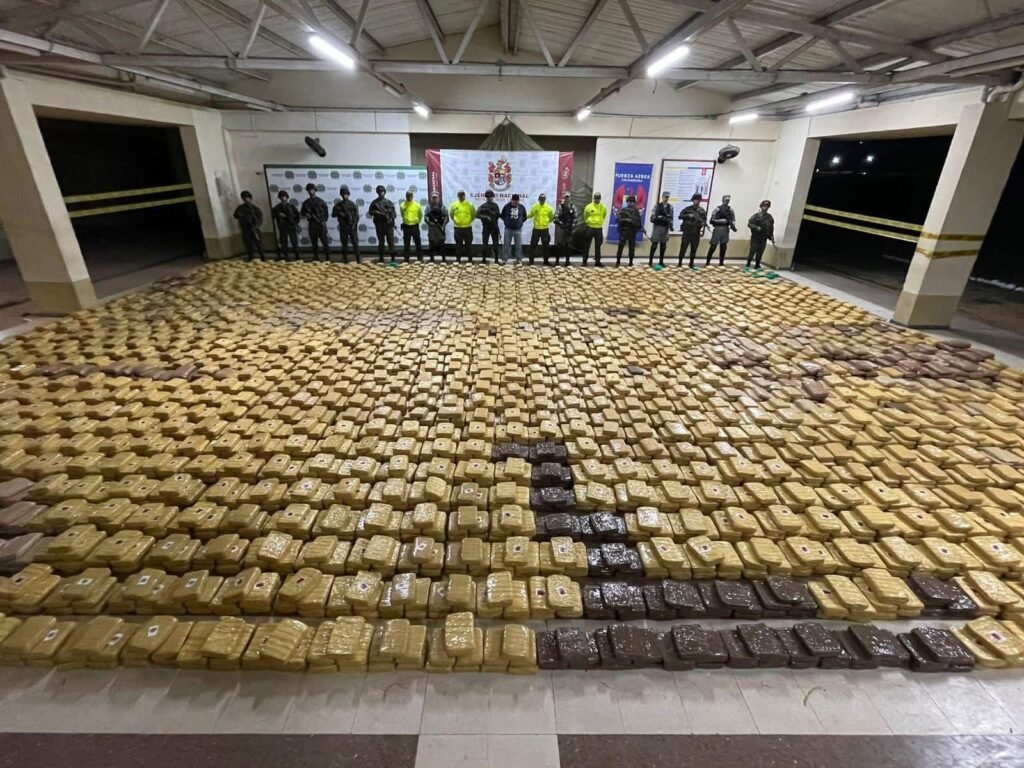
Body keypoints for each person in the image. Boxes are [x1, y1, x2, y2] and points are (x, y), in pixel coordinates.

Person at [300, 183, 330, 262]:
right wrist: (307, 214)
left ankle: (328, 258)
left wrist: (323, 220)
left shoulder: (320, 201)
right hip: (312, 224)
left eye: (312, 190)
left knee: (325, 242)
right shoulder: (306, 202)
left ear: (315, 190)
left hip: (320, 224)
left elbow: (326, 213)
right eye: (309, 190)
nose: (311, 191)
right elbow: (302, 212)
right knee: (314, 242)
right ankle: (316, 257)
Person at [367, 185, 397, 262]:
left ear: (385, 192)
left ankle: (393, 258)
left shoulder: (389, 202)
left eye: (382, 192)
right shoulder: (375, 203)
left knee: (391, 241)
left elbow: (394, 214)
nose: (381, 193)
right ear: (377, 193)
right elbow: (370, 212)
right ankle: (381, 258)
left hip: (388, 225)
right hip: (379, 224)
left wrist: (390, 218)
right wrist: (377, 213)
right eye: (380, 192)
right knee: (381, 242)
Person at [705, 194, 737, 266]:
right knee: (713, 246)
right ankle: (707, 263)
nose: (727, 202)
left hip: (725, 230)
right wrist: (722, 221)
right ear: (722, 200)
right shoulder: (717, 209)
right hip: (717, 229)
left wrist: (733, 226)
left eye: (728, 200)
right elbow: (711, 220)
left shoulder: (730, 210)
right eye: (725, 200)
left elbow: (733, 219)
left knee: (723, 247)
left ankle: (721, 263)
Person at [331, 185, 360, 263]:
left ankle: (358, 258)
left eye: (346, 194)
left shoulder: (352, 204)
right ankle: (345, 258)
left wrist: (353, 225)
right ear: (341, 195)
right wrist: (339, 212)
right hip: (343, 226)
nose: (345, 196)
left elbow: (356, 217)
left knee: (355, 243)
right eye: (343, 194)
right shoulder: (338, 205)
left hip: (352, 227)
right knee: (344, 244)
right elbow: (333, 215)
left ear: (348, 195)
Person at [233, 191, 264, 262]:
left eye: (247, 198)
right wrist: (241, 216)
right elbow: (235, 215)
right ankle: (250, 257)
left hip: (254, 228)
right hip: (245, 229)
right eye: (244, 198)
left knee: (259, 244)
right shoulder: (240, 208)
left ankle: (262, 257)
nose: (246, 200)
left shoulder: (255, 209)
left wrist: (256, 225)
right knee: (248, 244)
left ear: (250, 198)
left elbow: (260, 218)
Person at [678, 193, 707, 268]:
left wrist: (702, 223)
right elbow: (680, 216)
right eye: (695, 200)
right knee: (683, 248)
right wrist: (688, 216)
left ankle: (691, 263)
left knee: (694, 249)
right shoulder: (687, 209)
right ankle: (680, 263)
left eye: (698, 200)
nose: (697, 201)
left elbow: (704, 220)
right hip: (687, 232)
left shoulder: (702, 210)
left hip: (696, 232)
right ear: (693, 200)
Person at [746, 199, 775, 269]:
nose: (766, 208)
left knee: (760, 252)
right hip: (755, 237)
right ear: (761, 206)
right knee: (752, 251)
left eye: (767, 206)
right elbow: (749, 224)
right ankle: (748, 263)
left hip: (763, 237)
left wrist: (772, 237)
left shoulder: (769, 217)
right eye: (764, 206)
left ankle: (757, 264)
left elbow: (771, 228)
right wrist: (756, 227)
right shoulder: (756, 216)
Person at [271, 190, 299, 261]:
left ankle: (297, 256)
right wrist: (278, 214)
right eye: (281, 197)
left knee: (294, 242)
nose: (283, 198)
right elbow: (273, 215)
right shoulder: (277, 207)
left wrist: (291, 220)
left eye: (284, 196)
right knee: (283, 242)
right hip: (282, 227)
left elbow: (297, 216)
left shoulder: (291, 206)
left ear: (287, 197)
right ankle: (286, 257)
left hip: (291, 226)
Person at [527, 193, 555, 265]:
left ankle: (546, 261)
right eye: (541, 200)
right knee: (533, 245)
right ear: (538, 200)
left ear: (545, 200)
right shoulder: (535, 207)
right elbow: (530, 215)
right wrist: (524, 215)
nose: (542, 201)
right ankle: (531, 261)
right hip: (536, 229)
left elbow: (552, 217)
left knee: (545, 246)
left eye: (543, 200)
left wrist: (546, 222)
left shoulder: (549, 208)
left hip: (545, 229)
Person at [615, 195, 642, 266]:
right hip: (624, 231)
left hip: (632, 231)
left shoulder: (636, 211)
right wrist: (626, 220)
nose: (631, 203)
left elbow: (639, 222)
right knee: (620, 247)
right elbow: (618, 220)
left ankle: (631, 262)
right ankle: (618, 262)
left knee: (632, 248)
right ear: (627, 202)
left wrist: (640, 227)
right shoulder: (623, 210)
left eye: (632, 202)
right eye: (629, 202)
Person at [500, 193, 528, 263]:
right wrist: (507, 221)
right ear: (511, 200)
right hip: (508, 229)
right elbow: (502, 215)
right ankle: (504, 259)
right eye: (514, 201)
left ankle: (518, 259)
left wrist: (520, 222)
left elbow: (525, 217)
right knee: (506, 245)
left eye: (516, 201)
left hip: (518, 230)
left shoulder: (521, 207)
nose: (515, 203)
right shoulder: (506, 206)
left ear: (518, 201)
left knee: (518, 245)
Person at [449, 190, 476, 263]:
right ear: (457, 196)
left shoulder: (470, 205)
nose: (461, 197)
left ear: (464, 196)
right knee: (458, 245)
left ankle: (470, 260)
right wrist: (456, 221)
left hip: (467, 228)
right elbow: (451, 215)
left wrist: (468, 221)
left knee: (468, 245)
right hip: (458, 228)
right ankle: (458, 259)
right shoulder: (454, 205)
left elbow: (473, 214)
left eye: (462, 195)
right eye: (459, 196)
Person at [648, 191, 673, 266]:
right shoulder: (657, 206)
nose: (666, 198)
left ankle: (661, 261)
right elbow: (652, 218)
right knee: (654, 244)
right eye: (665, 197)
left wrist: (671, 226)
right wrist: (659, 218)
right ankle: (650, 261)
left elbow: (671, 218)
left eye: (667, 197)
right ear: (662, 197)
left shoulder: (670, 207)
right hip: (657, 227)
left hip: (665, 227)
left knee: (663, 245)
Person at [582, 192, 607, 266]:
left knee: (598, 245)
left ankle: (597, 261)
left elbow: (604, 215)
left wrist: (599, 222)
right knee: (587, 245)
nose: (597, 200)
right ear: (593, 198)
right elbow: (585, 216)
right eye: (596, 198)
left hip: (599, 228)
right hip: (590, 227)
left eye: (598, 198)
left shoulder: (603, 207)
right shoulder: (588, 207)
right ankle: (584, 261)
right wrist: (589, 221)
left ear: (600, 199)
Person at [476, 190, 500, 262]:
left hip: (494, 227)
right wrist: (486, 217)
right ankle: (484, 259)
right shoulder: (483, 206)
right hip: (486, 227)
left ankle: (496, 259)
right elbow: (477, 215)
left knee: (495, 244)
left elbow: (498, 215)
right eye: (488, 197)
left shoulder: (495, 205)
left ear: (492, 197)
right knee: (485, 244)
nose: (489, 198)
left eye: (490, 197)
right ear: (486, 197)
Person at [399, 190, 423, 261]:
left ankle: (420, 258)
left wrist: (417, 221)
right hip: (406, 226)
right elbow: (402, 215)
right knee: (406, 243)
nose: (409, 197)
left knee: (418, 242)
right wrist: (406, 221)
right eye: (407, 196)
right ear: (405, 196)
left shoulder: (417, 205)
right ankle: (406, 258)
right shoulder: (402, 205)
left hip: (415, 226)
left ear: (413, 196)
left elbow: (420, 215)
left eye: (410, 196)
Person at [554, 192, 576, 265]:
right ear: (564, 198)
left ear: (570, 198)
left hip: (569, 228)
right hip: (562, 227)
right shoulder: (560, 206)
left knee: (568, 245)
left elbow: (575, 217)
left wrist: (573, 224)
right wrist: (561, 224)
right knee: (559, 245)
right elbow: (556, 217)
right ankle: (557, 261)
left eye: (568, 197)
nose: (567, 199)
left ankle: (567, 261)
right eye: (566, 197)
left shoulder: (572, 207)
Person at [425, 194, 449, 262]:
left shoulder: (442, 206)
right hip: (432, 227)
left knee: (442, 243)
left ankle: (444, 259)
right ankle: (431, 259)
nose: (434, 199)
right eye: (433, 198)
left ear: (438, 198)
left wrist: (443, 225)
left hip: (440, 227)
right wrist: (430, 223)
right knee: (431, 243)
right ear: (431, 199)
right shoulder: (428, 206)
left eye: (436, 198)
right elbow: (426, 216)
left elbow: (446, 216)